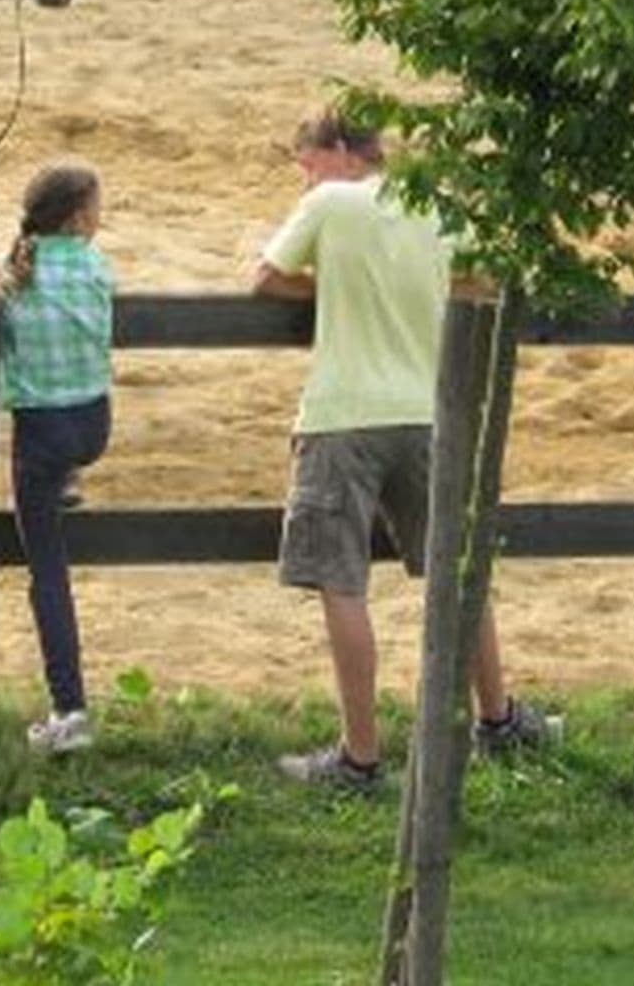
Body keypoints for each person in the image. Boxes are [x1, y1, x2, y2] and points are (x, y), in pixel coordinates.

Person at [254, 110, 555, 793]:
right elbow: (485, 281)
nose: (303, 177)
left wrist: (331, 286)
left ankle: (359, 757)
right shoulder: (435, 204)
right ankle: (498, 719)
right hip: (427, 414)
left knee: (339, 580)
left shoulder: (328, 204)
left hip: (342, 415)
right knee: (454, 572)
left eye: (305, 163)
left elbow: (265, 279)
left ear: (337, 151)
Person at [0, 162, 116, 756]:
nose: (101, 218)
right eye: (96, 209)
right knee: (56, 474)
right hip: (94, 426)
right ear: (75, 219)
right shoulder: (95, 264)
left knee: (48, 572)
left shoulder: (14, 274)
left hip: (41, 431)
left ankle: (69, 708)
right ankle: (68, 478)